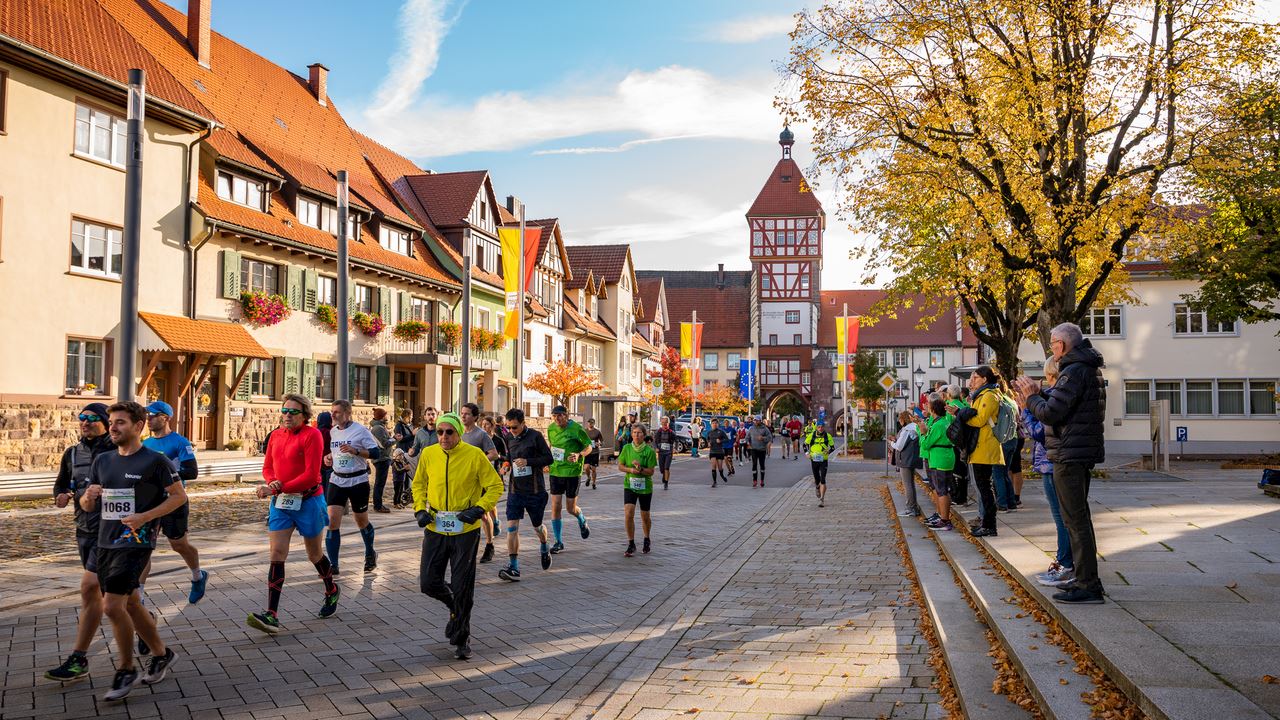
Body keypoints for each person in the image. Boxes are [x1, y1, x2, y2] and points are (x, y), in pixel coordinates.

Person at [81, 401, 186, 700]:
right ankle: (161, 654)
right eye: (112, 422)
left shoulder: (156, 461)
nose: (113, 427)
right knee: (131, 604)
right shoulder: (103, 461)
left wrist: (145, 517)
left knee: (112, 606)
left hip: (136, 543)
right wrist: (87, 497)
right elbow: (87, 505)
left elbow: (178, 497)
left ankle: (125, 668)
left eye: (121, 422)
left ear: (138, 426)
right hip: (105, 541)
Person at [1016, 322, 1106, 605]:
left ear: (1063, 345)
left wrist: (1031, 397)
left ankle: (1088, 584)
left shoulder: (1074, 371)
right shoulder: (1082, 369)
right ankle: (1083, 578)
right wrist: (1039, 395)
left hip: (1069, 454)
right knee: (1077, 519)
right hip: (1076, 451)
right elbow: (1065, 407)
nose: (1051, 348)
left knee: (1075, 520)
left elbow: (1052, 414)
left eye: (1053, 343)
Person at [412, 412, 503, 660]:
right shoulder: (429, 454)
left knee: (463, 584)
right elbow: (418, 484)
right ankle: (455, 606)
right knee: (429, 582)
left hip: (465, 529)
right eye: (440, 432)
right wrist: (420, 509)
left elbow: (495, 486)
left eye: (448, 432)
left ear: (458, 433)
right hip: (436, 526)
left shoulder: (473, 455)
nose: (443, 437)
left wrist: (478, 509)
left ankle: (462, 638)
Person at [247, 394, 338, 635]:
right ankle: (272, 614)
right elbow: (268, 467)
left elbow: (310, 475)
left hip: (309, 500)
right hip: (282, 502)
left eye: (293, 412)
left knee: (314, 553)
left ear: (304, 415)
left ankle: (331, 589)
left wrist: (275, 487)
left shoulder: (313, 435)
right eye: (284, 410)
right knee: (277, 553)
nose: (287, 415)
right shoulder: (276, 435)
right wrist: (272, 484)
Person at [44, 403, 116, 683]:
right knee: (116, 598)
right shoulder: (72, 453)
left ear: (105, 422)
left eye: (91, 419)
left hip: (112, 533)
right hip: (84, 530)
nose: (85, 423)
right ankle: (146, 624)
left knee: (91, 589)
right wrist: (61, 495)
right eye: (81, 418)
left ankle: (79, 657)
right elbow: (61, 483)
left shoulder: (116, 452)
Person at [140, 401, 207, 606]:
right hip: (150, 503)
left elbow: (192, 471)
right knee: (144, 548)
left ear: (166, 417)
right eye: (147, 415)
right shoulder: (146, 444)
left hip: (174, 500)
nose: (148, 419)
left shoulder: (179, 442)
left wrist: (164, 476)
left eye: (152, 415)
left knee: (178, 544)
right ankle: (139, 595)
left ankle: (198, 576)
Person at [1021, 358, 1073, 587]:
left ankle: (1065, 563)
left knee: (1061, 518)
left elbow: (1040, 432)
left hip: (1051, 463)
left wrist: (1026, 409)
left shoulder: (1055, 397)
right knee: (1064, 517)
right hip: (1053, 461)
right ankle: (1065, 561)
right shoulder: (1055, 396)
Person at [323, 400, 381, 574]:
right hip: (337, 480)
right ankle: (333, 565)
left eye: (337, 412)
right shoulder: (333, 432)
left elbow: (376, 453)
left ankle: (370, 553)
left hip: (358, 481)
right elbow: (336, 453)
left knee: (361, 521)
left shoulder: (361, 431)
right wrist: (329, 458)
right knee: (332, 521)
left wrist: (356, 451)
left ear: (348, 413)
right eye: (332, 412)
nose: (333, 415)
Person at [498, 408, 554, 582]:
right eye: (509, 427)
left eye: (514, 427)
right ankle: (513, 567)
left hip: (535, 491)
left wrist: (528, 462)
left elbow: (549, 459)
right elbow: (509, 455)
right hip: (516, 491)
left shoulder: (535, 436)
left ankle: (544, 545)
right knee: (512, 527)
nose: (512, 431)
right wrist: (506, 465)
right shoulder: (509, 437)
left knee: (537, 527)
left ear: (523, 423)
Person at [956, 367, 1007, 537]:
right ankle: (986, 523)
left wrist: (961, 414)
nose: (973, 381)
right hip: (979, 446)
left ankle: (990, 525)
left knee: (984, 487)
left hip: (985, 447)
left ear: (985, 379)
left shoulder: (989, 395)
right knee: (983, 486)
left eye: (976, 377)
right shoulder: (982, 394)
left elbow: (979, 420)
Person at [546, 405, 593, 554]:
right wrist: (547, 461)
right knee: (555, 506)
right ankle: (558, 542)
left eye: (560, 416)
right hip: (556, 471)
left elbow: (589, 447)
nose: (557, 419)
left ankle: (582, 519)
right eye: (554, 416)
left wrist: (579, 455)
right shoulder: (551, 428)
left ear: (566, 416)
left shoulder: (576, 429)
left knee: (570, 508)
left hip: (572, 472)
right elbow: (552, 446)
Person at [459, 403, 501, 563]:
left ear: (475, 417)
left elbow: (494, 454)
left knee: (483, 515)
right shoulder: (458, 433)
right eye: (462, 413)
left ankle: (489, 545)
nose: (463, 416)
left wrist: (476, 462)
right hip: (462, 480)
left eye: (467, 414)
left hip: (479, 480)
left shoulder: (481, 435)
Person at [618, 423, 658, 557]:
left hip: (645, 487)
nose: (636, 435)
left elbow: (651, 472)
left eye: (639, 433)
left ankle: (646, 539)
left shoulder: (649, 451)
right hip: (630, 485)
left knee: (645, 516)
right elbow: (621, 466)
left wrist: (641, 469)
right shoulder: (627, 448)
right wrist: (631, 470)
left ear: (644, 435)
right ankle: (631, 543)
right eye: (634, 432)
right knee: (628, 513)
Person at [919, 398, 956, 532]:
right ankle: (943, 517)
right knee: (943, 489)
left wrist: (923, 433)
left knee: (941, 490)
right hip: (945, 457)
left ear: (933, 410)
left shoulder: (938, 425)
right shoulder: (944, 422)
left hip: (939, 458)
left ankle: (945, 520)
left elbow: (926, 444)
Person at [891, 411, 924, 517]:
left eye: (900, 419)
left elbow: (899, 446)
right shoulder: (915, 427)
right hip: (912, 458)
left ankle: (911, 507)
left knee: (908, 484)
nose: (899, 422)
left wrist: (891, 443)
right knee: (911, 484)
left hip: (906, 460)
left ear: (903, 419)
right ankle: (913, 506)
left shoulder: (906, 430)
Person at [943, 385, 971, 505]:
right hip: (964, 441)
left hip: (955, 442)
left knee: (957, 472)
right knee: (962, 471)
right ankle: (962, 495)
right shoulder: (963, 405)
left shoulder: (951, 407)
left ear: (949, 395)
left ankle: (959, 497)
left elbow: (948, 425)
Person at [370, 408, 395, 514]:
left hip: (382, 458)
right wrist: (395, 439)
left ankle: (378, 504)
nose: (387, 417)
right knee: (380, 483)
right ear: (382, 416)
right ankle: (378, 505)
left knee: (380, 483)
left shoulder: (378, 427)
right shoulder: (378, 428)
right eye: (385, 415)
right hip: (381, 458)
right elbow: (384, 444)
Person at [392, 409, 416, 508]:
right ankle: (399, 499)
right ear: (406, 416)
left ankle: (407, 497)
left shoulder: (409, 425)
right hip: (402, 453)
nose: (411, 418)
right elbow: (400, 439)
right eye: (410, 416)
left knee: (409, 476)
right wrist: (412, 435)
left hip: (409, 452)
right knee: (402, 477)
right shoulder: (399, 425)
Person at [807, 422, 835, 507]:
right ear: (816, 428)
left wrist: (829, 451)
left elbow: (833, 447)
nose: (820, 428)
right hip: (814, 460)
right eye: (818, 427)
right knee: (817, 479)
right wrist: (806, 453)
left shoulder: (828, 436)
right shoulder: (812, 435)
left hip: (823, 460)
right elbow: (804, 444)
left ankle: (822, 499)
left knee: (823, 479)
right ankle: (817, 487)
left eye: (822, 427)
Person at [651, 416, 677, 490]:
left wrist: (675, 448)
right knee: (662, 469)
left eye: (666, 423)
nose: (664, 424)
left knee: (666, 468)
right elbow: (654, 442)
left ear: (668, 423)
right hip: (661, 452)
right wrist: (655, 448)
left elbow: (676, 440)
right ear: (661, 423)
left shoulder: (671, 432)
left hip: (669, 452)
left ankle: (666, 483)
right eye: (663, 423)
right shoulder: (658, 432)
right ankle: (664, 476)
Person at [747, 418, 773, 488]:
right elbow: (747, 437)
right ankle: (754, 480)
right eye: (755, 420)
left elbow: (770, 437)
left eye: (757, 420)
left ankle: (762, 480)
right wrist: (748, 443)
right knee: (754, 464)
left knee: (762, 465)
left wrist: (763, 438)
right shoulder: (751, 428)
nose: (756, 421)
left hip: (762, 449)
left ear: (760, 421)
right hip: (754, 449)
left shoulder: (765, 428)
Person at [706, 419, 730, 487]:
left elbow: (727, 440)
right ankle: (714, 482)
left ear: (718, 424)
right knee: (713, 466)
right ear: (711, 424)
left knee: (720, 468)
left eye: (716, 423)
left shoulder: (721, 432)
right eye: (713, 423)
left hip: (719, 451)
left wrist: (720, 441)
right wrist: (708, 443)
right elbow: (707, 439)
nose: (714, 424)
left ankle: (722, 475)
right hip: (712, 451)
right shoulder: (709, 432)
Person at [583, 418, 604, 490]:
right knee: (586, 467)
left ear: (594, 423)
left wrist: (599, 444)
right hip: (587, 452)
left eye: (592, 423)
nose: (590, 424)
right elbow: (581, 440)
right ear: (587, 423)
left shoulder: (597, 432)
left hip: (595, 452)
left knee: (594, 469)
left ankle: (594, 483)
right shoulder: (584, 431)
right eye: (589, 422)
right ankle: (588, 477)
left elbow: (602, 441)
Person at [316, 411, 334, 492]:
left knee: (319, 489)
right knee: (328, 489)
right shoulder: (331, 433)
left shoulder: (315, 432)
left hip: (317, 464)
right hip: (329, 463)